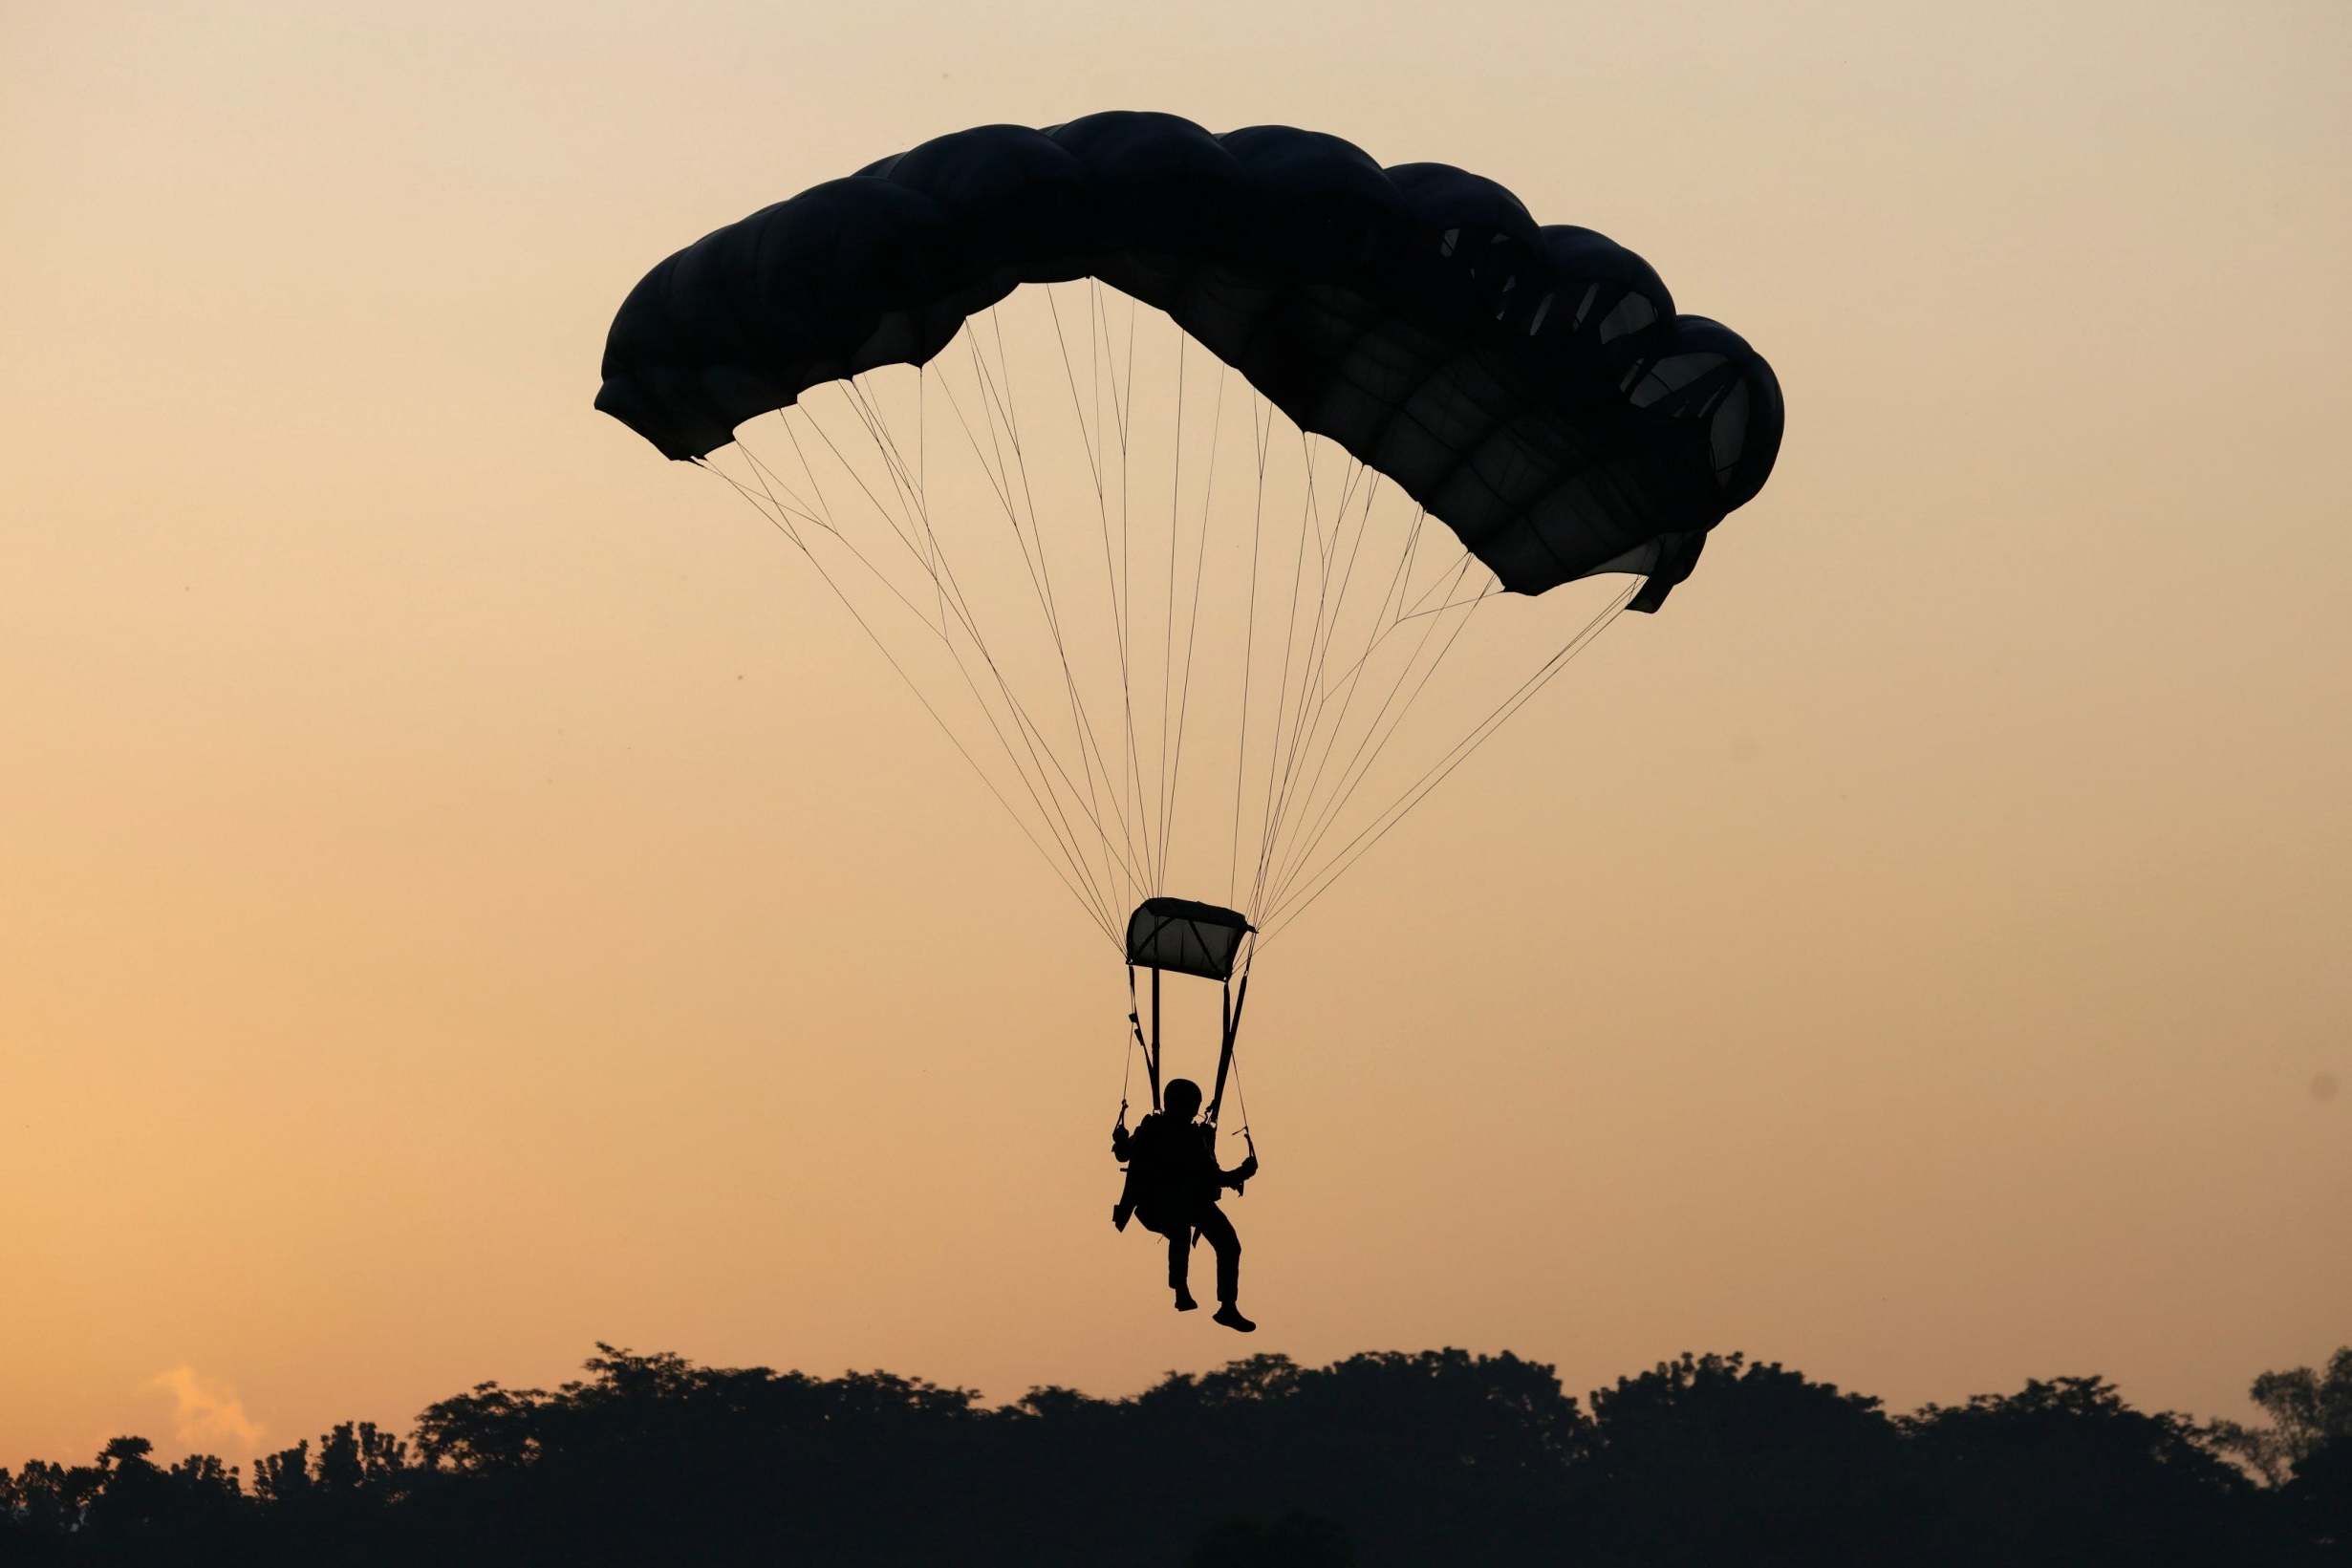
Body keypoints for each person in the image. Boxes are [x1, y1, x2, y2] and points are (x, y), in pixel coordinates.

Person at [1111, 1078, 1259, 1331]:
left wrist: (1123, 1141)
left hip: (1191, 1201)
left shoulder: (1191, 1134)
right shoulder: (1159, 1130)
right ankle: (1181, 1289)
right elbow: (1126, 1153)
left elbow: (1211, 1174)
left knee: (1228, 1243)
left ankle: (1227, 1307)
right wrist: (1242, 1173)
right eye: (1191, 1106)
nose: (1193, 1112)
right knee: (1180, 1231)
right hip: (1158, 1204)